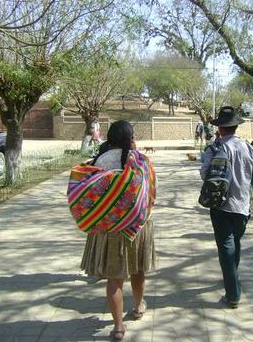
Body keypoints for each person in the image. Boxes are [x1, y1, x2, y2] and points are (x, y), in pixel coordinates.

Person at [80, 120, 156, 341]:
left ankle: (119, 327)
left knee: (114, 278)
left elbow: (91, 196)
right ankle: (139, 306)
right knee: (137, 270)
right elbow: (151, 193)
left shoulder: (100, 161)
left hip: (109, 228)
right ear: (130, 137)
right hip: (137, 227)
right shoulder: (141, 161)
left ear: (110, 138)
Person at [200, 106, 253, 309]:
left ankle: (232, 294)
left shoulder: (215, 148)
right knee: (234, 243)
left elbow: (204, 174)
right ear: (236, 127)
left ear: (220, 128)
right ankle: (232, 280)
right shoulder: (250, 149)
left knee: (226, 247)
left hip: (220, 206)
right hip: (242, 208)